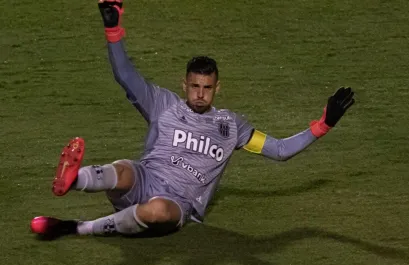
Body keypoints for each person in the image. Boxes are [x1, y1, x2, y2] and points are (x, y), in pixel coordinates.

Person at [30, 0, 355, 239]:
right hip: (144, 179)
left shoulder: (233, 128)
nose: (200, 94)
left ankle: (74, 227)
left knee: (156, 209)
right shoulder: (163, 104)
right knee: (123, 169)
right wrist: (113, 30)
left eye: (207, 88)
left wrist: (323, 124)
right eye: (195, 86)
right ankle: (72, 181)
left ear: (217, 88)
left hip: (177, 204)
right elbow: (126, 76)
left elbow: (280, 150)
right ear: (185, 85)